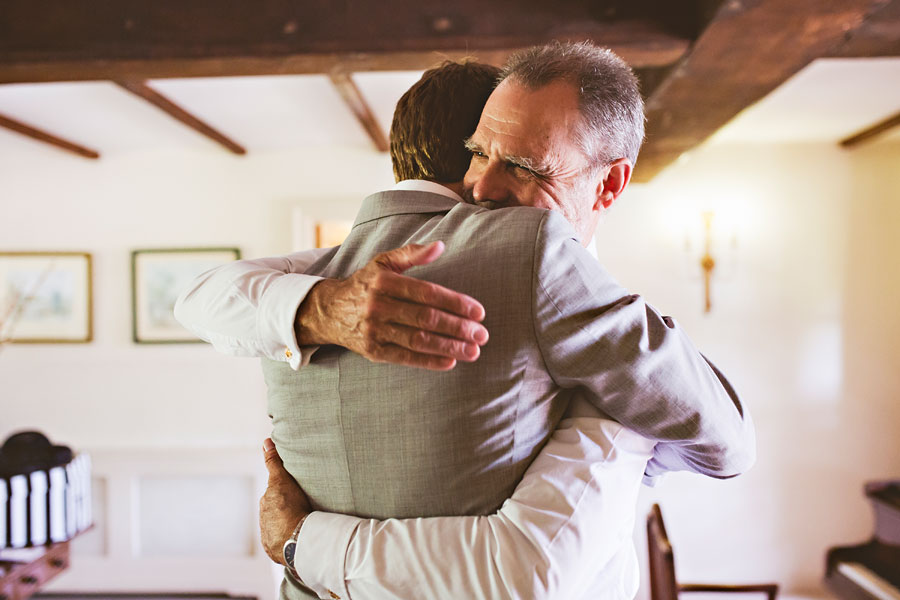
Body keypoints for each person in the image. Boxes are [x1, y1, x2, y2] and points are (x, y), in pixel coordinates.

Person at [176, 45, 755, 600]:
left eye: (524, 166)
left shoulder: (312, 282)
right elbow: (726, 442)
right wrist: (622, 417)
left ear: (608, 181)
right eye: (478, 153)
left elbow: (200, 297)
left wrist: (302, 541)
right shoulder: (527, 254)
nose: (482, 187)